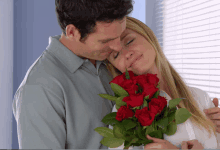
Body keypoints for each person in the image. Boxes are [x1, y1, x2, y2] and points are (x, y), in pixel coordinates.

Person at [12, 0, 133, 149]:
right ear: (72, 33)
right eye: (105, 41)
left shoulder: (110, 61)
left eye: (120, 35)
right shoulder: (39, 88)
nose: (118, 46)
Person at [105, 16, 220, 149]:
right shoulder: (124, 113)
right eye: (115, 55)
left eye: (129, 41)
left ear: (147, 34)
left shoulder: (201, 98)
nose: (126, 54)